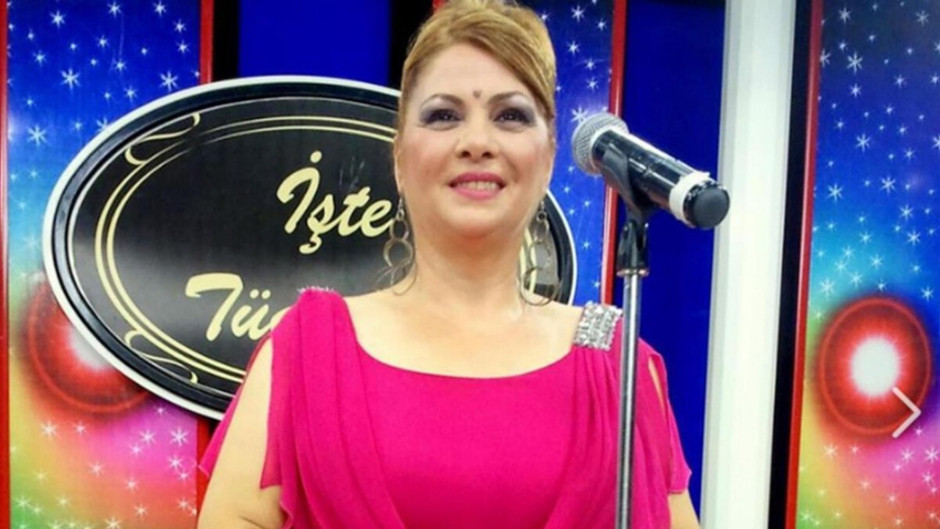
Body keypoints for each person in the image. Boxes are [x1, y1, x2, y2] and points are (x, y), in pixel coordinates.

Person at [197, 1, 701, 528]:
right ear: (399, 157)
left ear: (549, 157)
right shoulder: (306, 353)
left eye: (510, 116)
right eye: (444, 115)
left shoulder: (620, 370)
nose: (477, 143)